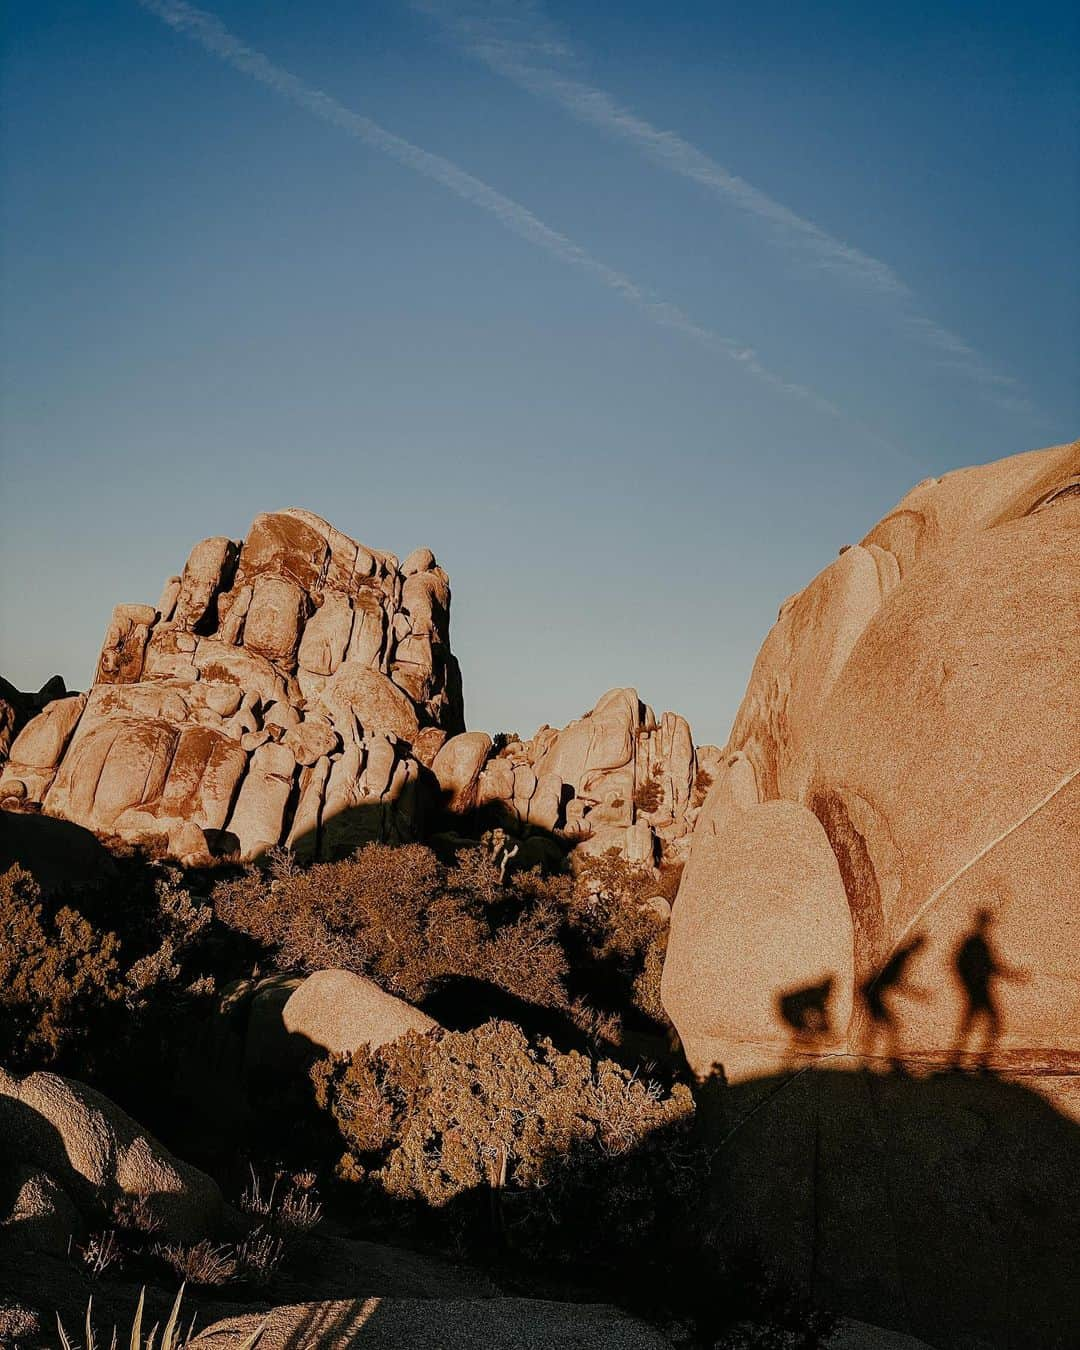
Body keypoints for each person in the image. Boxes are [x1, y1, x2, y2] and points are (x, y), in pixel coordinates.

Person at [952, 908, 1023, 1070]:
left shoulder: (977, 942)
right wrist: (969, 984)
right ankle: (978, 1062)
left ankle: (960, 1060)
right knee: (991, 1024)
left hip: (978, 989)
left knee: (971, 1024)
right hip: (979, 990)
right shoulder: (975, 943)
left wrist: (1014, 976)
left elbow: (992, 966)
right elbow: (960, 964)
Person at [859, 935, 928, 1070]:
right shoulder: (902, 957)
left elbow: (894, 981)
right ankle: (889, 1061)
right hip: (871, 993)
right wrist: (918, 994)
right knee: (887, 1027)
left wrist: (917, 994)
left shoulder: (901, 955)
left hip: (871, 992)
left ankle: (869, 1061)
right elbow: (896, 983)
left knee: (877, 1028)